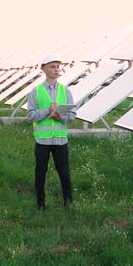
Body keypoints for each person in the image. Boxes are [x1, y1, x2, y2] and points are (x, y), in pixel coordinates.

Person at [26, 55, 76, 211]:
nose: (56, 69)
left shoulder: (65, 90)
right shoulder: (36, 92)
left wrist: (60, 117)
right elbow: (31, 115)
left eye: (57, 66)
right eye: (52, 66)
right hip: (42, 141)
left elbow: (72, 115)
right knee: (40, 174)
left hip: (61, 140)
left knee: (64, 173)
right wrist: (47, 111)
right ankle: (40, 205)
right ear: (44, 69)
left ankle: (68, 203)